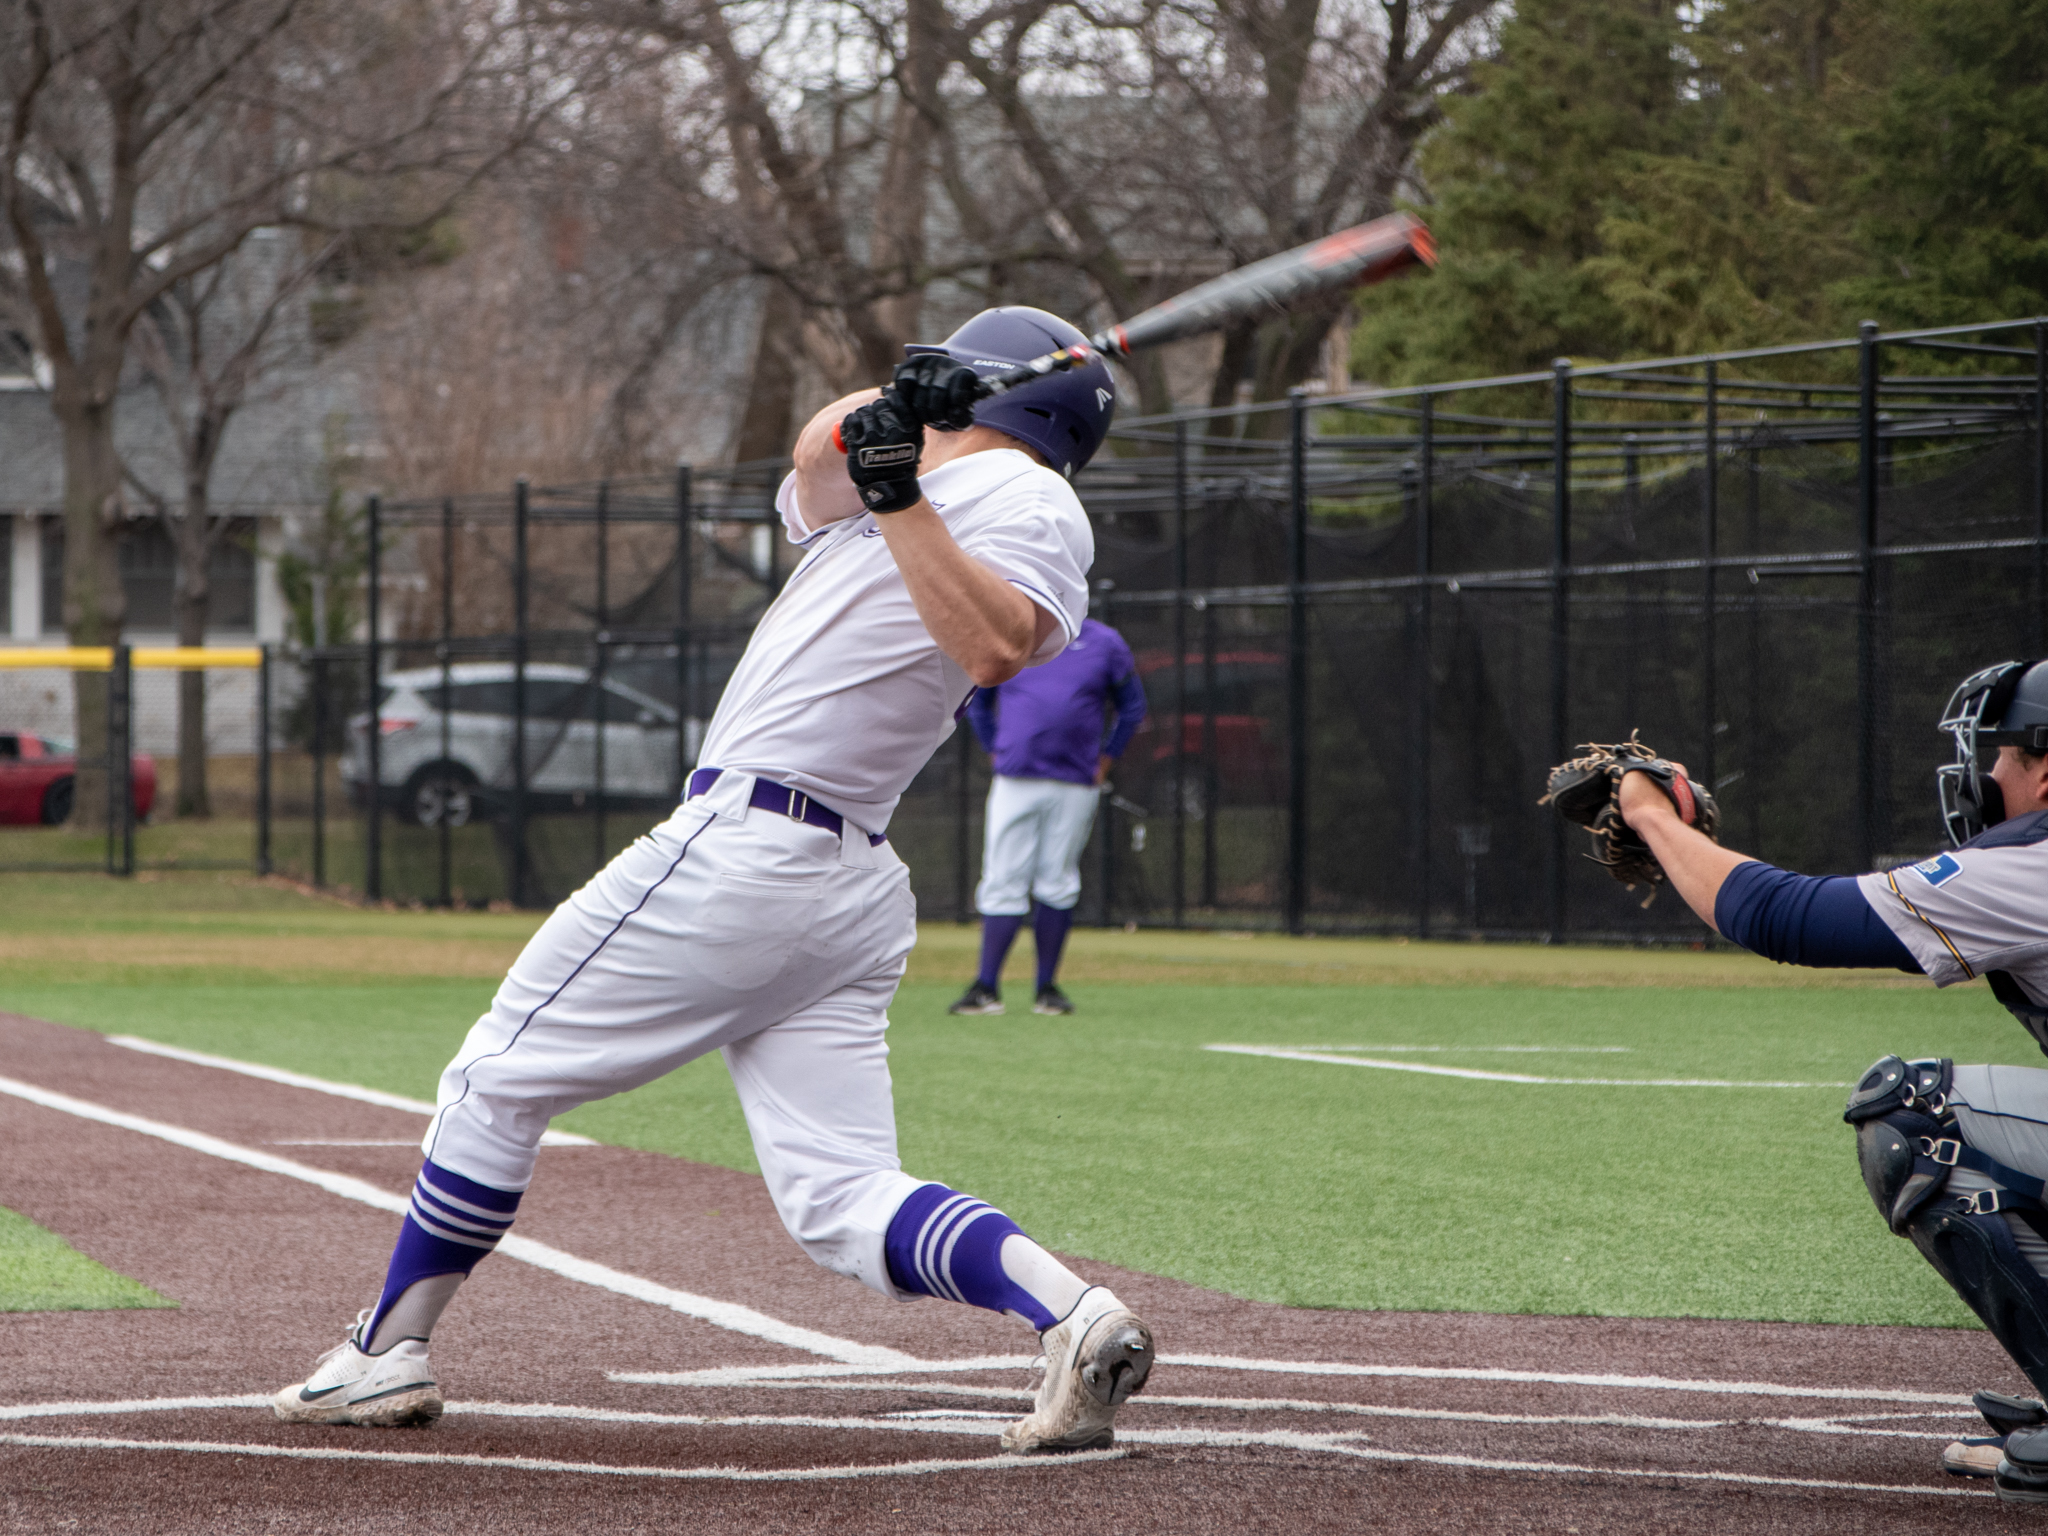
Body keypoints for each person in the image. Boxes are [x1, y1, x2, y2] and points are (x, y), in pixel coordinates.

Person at [271, 306, 1156, 1456]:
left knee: (492, 1078)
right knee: (840, 1201)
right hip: (832, 883)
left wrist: (902, 491)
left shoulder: (1034, 503)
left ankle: (383, 1351)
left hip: (753, 847)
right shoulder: (889, 480)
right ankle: (1071, 1314)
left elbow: (992, 646)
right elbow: (811, 461)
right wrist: (884, 414)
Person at [1611, 658, 2048, 1501]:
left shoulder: (2031, 868)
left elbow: (1785, 917)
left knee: (1916, 1117)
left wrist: (1649, 816)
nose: (1986, 772)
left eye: (2002, 753)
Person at [950, 619, 1146, 1017]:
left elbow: (1133, 706)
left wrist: (1107, 758)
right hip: (1015, 778)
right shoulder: (1013, 630)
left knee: (1056, 879)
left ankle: (1047, 989)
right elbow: (979, 698)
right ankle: (986, 988)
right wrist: (994, 748)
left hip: (1076, 782)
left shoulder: (1105, 641)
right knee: (1003, 878)